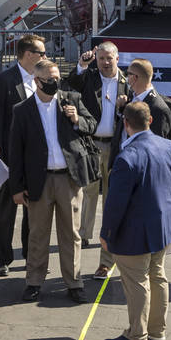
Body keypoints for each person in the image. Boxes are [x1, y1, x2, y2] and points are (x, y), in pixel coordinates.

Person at [7, 59, 97, 304]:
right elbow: (15, 152)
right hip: (39, 180)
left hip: (68, 179)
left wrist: (77, 119)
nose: (55, 83)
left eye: (57, 78)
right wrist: (16, 187)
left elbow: (92, 125)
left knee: (71, 234)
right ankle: (34, 282)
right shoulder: (22, 110)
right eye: (50, 80)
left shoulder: (71, 99)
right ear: (36, 81)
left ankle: (74, 282)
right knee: (38, 234)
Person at [101, 102, 171, 340]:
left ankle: (137, 334)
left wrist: (107, 235)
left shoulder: (126, 158)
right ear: (149, 120)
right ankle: (157, 330)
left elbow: (115, 204)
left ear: (125, 124)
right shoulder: (168, 146)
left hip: (136, 230)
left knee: (137, 280)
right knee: (157, 275)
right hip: (163, 225)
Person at [67, 41, 130, 279]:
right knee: (89, 190)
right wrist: (82, 65)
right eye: (101, 58)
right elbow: (71, 84)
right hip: (91, 144)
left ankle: (110, 235)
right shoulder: (90, 77)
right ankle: (84, 234)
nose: (105, 62)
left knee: (111, 195)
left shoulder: (126, 81)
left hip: (116, 146)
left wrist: (125, 106)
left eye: (109, 59)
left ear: (117, 58)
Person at [0, 33, 47, 276]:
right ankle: (3, 257)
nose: (45, 57)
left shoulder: (42, 79)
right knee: (7, 209)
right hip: (10, 158)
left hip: (35, 158)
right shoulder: (5, 81)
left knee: (33, 211)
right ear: (29, 55)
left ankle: (30, 254)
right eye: (41, 53)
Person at [115, 58, 171, 141]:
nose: (125, 77)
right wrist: (122, 109)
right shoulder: (130, 98)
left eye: (127, 74)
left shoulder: (158, 108)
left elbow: (156, 146)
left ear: (135, 77)